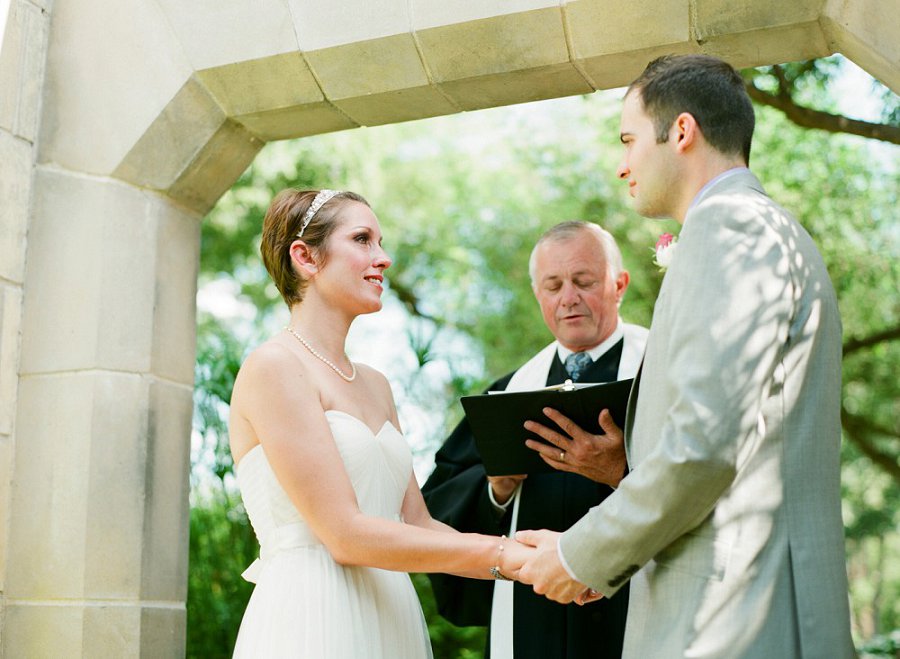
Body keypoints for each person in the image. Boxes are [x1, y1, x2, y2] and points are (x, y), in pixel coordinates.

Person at [515, 54, 856, 658]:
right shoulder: (763, 228)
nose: (622, 166)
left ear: (681, 131)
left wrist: (581, 554)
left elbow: (703, 446)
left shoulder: (730, 229)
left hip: (737, 621)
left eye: (627, 140)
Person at [227, 188, 532, 658]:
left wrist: (527, 560)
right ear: (306, 257)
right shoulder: (274, 367)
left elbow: (417, 522)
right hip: (313, 616)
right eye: (363, 239)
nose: (383, 258)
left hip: (390, 614)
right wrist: (500, 557)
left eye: (380, 241)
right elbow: (345, 535)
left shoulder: (375, 384)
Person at [422, 221, 648, 659]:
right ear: (538, 295)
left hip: (634, 609)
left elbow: (707, 477)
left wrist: (622, 471)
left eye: (583, 281)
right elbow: (438, 511)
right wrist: (498, 489)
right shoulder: (509, 393)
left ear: (618, 284)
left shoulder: (659, 372)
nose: (569, 298)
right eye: (553, 285)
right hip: (532, 619)